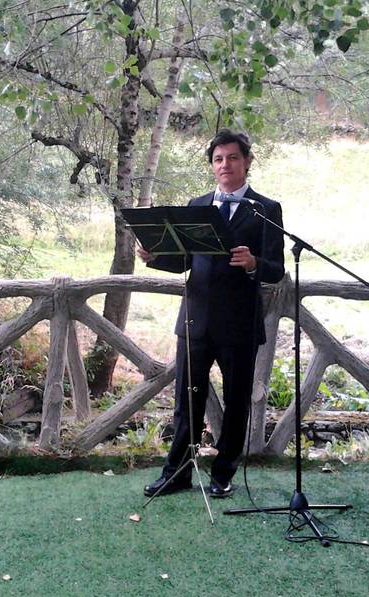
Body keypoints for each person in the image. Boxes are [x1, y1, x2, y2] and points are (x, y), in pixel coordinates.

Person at [138, 129, 284, 499]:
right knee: (186, 401)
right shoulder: (196, 204)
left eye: (232, 158)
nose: (225, 165)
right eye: (218, 159)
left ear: (247, 162)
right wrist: (156, 257)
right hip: (195, 319)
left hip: (239, 323)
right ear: (212, 165)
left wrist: (253, 262)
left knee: (236, 403)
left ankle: (223, 474)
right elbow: (185, 260)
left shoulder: (266, 209)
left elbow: (276, 268)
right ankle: (176, 474)